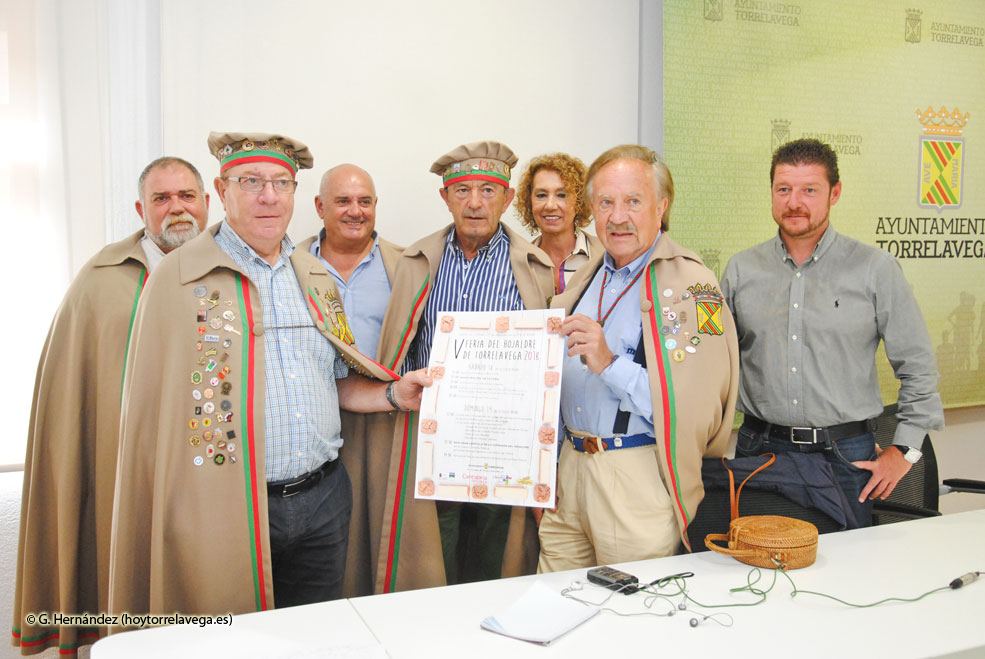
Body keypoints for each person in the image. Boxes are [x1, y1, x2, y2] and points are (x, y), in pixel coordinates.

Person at [107, 132, 430, 619]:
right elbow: (156, 412)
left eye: (282, 182)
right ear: (222, 189)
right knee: (229, 637)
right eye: (251, 181)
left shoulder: (315, 277)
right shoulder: (179, 279)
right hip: (228, 505)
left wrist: (395, 395)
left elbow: (336, 381)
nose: (268, 196)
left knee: (315, 633)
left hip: (323, 501)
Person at [12, 157, 210, 654]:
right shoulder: (101, 280)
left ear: (207, 203)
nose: (177, 209)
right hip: (123, 466)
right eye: (162, 199)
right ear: (142, 209)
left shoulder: (231, 269)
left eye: (187, 196)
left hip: (206, 464)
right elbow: (73, 392)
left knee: (209, 594)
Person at [356, 140, 554, 593]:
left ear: (506, 198)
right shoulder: (417, 261)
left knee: (495, 552)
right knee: (431, 555)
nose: (475, 202)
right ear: (445, 198)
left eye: (488, 190)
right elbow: (400, 347)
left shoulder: (535, 268)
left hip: (506, 441)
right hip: (435, 435)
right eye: (462, 190)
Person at [721, 138, 945, 527]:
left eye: (810, 190)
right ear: (772, 192)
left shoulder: (875, 269)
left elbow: (919, 368)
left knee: (844, 576)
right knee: (757, 570)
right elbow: (715, 366)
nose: (795, 202)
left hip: (845, 456)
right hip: (760, 450)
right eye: (784, 189)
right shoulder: (741, 271)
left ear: (834, 193)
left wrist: (904, 452)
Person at [537, 144, 739, 572]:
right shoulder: (588, 276)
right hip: (570, 471)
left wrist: (611, 364)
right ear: (591, 208)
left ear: (661, 206)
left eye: (633, 201)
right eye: (606, 203)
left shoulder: (691, 286)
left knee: (631, 623)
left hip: (635, 476)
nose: (618, 216)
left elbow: (696, 412)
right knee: (554, 610)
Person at [300, 163, 403, 597]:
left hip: (386, 417)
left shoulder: (407, 266)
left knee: (380, 534)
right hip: (313, 426)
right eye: (342, 201)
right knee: (322, 548)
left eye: (364, 201)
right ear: (320, 207)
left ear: (376, 206)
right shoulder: (292, 267)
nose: (354, 211)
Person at [514, 153, 602, 294]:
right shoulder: (518, 263)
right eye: (541, 195)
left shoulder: (606, 256)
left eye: (562, 195)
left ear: (580, 200)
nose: (550, 205)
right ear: (529, 201)